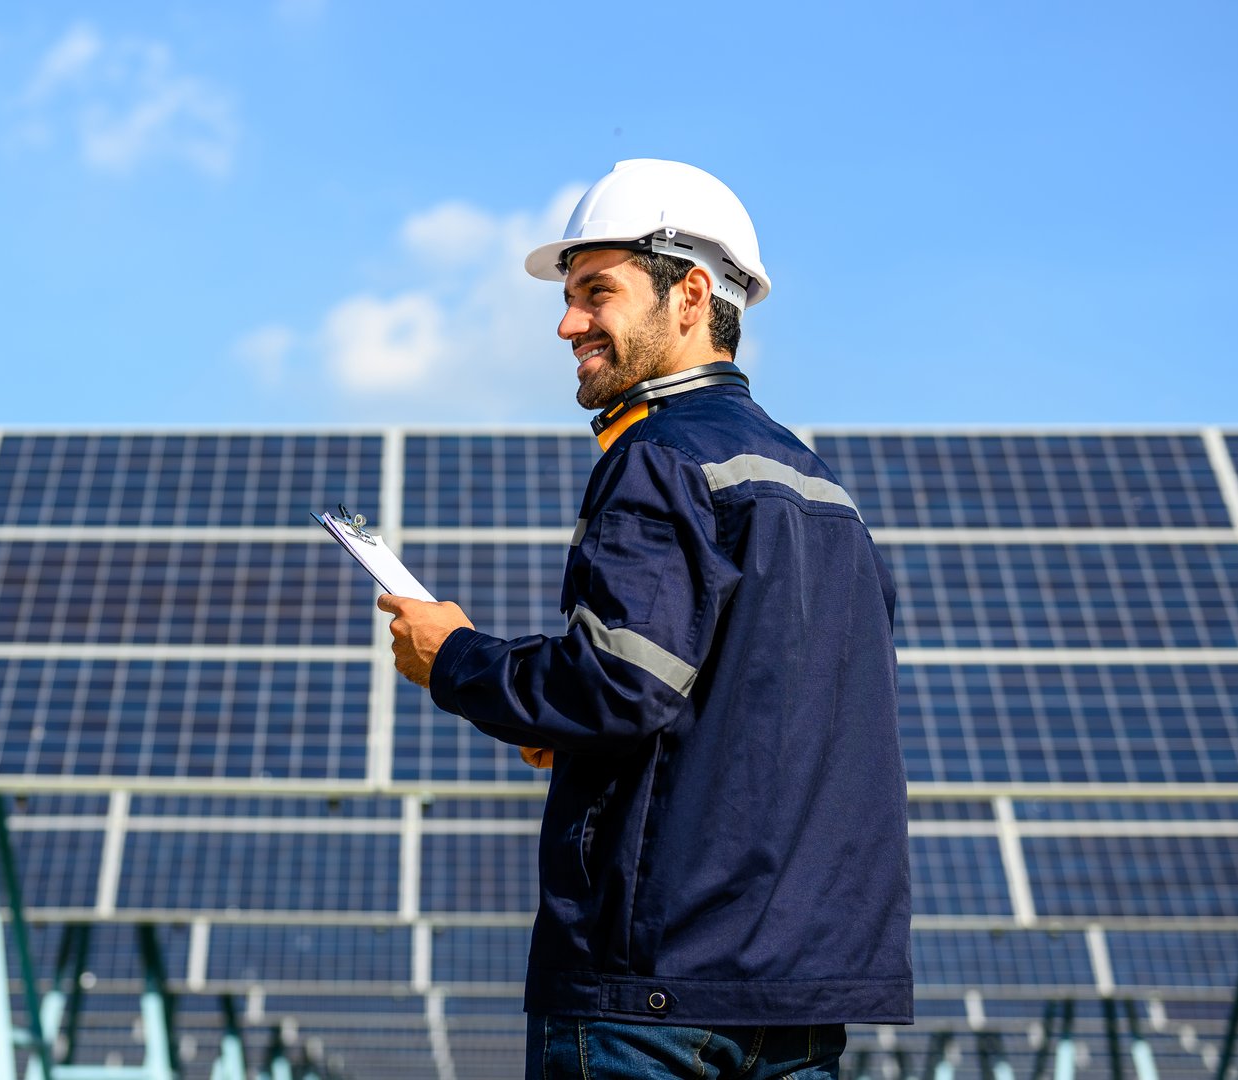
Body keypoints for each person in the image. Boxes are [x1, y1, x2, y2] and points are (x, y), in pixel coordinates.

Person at [380, 159, 910, 1079]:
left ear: (691, 295)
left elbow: (619, 686)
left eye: (597, 293)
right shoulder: (826, 495)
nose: (567, 321)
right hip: (797, 994)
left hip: (650, 997)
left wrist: (453, 657)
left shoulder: (658, 458)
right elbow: (750, 713)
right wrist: (585, 736)